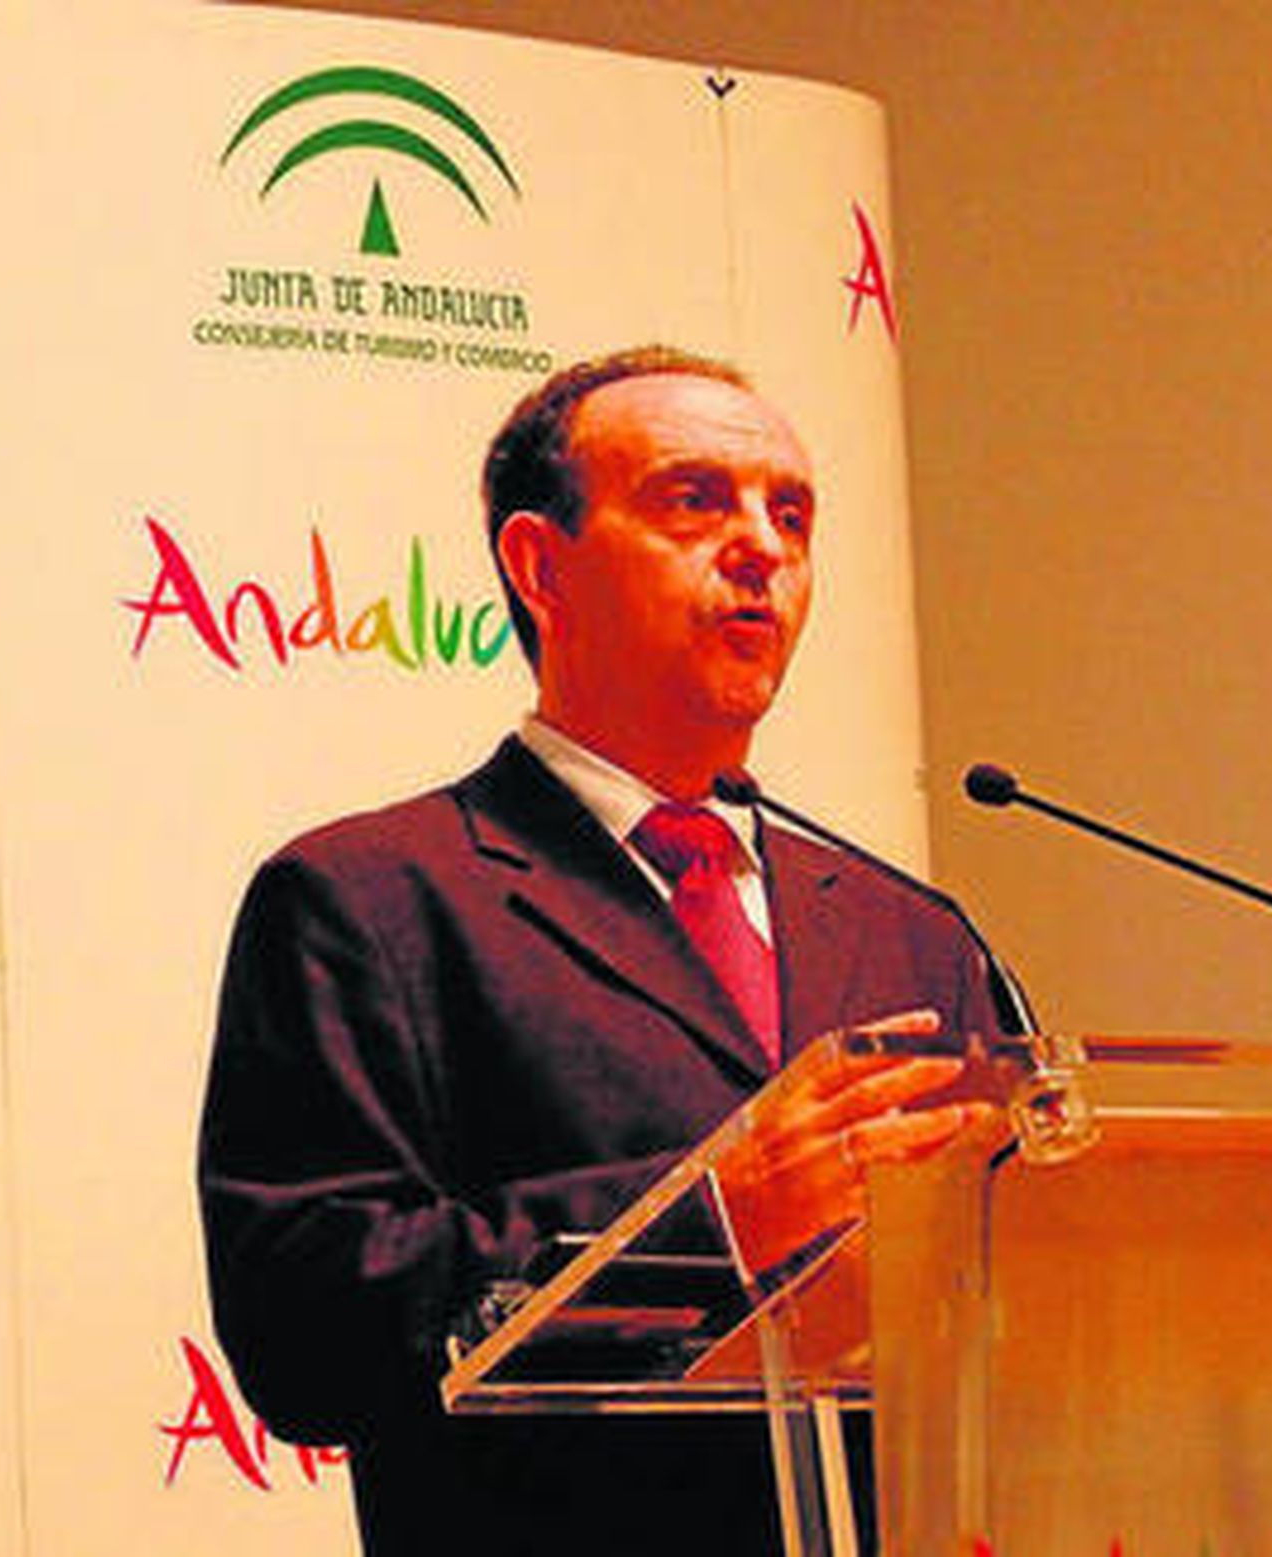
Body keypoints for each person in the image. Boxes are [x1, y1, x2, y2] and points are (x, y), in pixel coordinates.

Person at [199, 345, 1013, 1556]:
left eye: (790, 513)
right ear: (539, 565)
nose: (762, 549)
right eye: (695, 501)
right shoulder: (366, 901)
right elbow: (302, 1327)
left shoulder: (913, 932)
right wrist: (706, 1218)